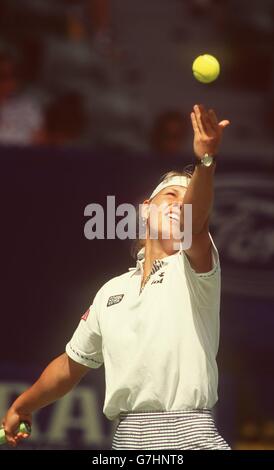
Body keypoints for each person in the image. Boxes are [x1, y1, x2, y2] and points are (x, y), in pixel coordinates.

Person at [2, 104, 230, 450]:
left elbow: (194, 221)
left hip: (189, 435)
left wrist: (206, 161)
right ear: (144, 209)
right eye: (171, 195)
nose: (179, 205)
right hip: (126, 439)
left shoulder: (194, 268)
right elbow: (70, 364)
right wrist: (23, 404)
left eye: (187, 199)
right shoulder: (112, 291)